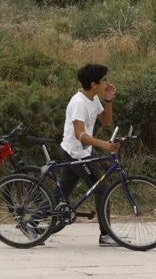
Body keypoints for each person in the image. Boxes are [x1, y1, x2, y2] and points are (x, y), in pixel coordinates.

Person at [58, 62, 121, 247]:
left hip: (78, 152)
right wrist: (104, 145)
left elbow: (106, 122)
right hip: (75, 154)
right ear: (93, 84)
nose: (107, 83)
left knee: (62, 193)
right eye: (104, 80)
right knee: (102, 188)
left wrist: (108, 100)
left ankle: (33, 223)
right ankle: (106, 235)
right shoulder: (78, 102)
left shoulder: (93, 99)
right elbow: (80, 134)